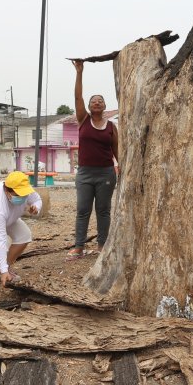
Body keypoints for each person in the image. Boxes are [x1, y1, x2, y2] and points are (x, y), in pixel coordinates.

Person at [68, 59, 119, 260]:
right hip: (85, 173)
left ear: (105, 106)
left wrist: (120, 164)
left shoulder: (111, 127)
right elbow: (78, 96)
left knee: (103, 211)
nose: (96, 102)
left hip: (106, 173)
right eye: (93, 101)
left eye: (100, 100)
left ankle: (102, 246)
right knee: (82, 210)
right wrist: (79, 72)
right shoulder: (83, 120)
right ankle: (79, 247)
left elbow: (116, 148)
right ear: (89, 107)